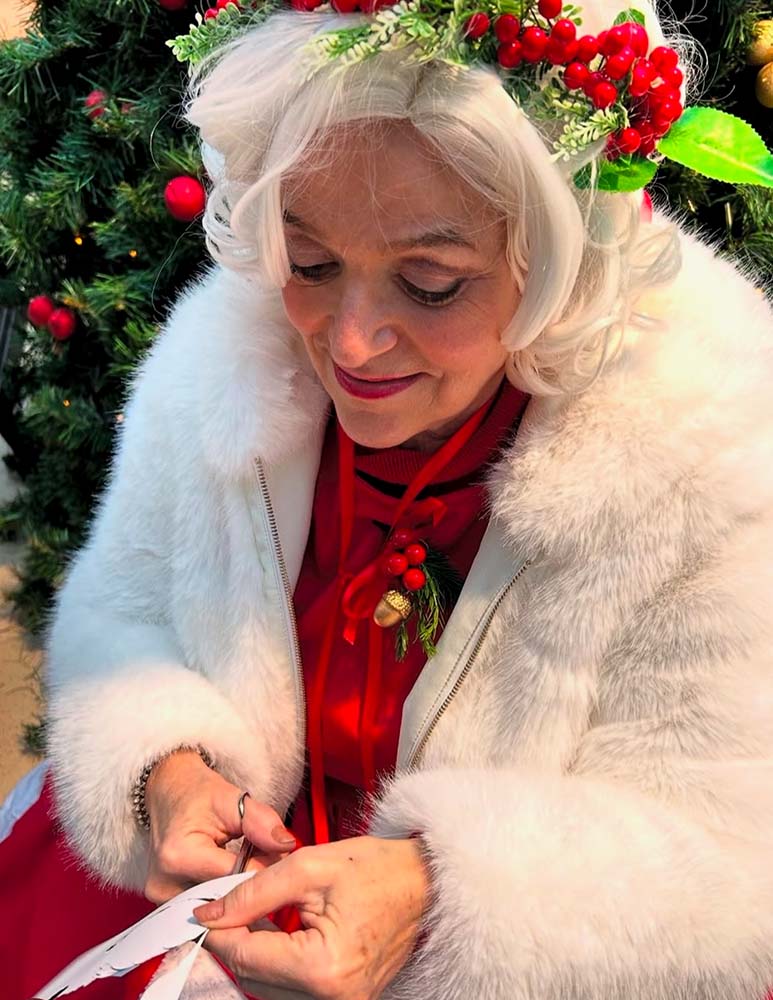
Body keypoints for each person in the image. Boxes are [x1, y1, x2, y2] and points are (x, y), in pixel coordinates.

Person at [4, 0, 773, 997]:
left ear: (558, 258)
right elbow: (123, 612)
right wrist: (165, 767)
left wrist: (442, 893)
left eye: (431, 282)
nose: (351, 343)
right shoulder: (220, 365)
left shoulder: (709, 441)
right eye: (310, 263)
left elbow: (729, 846)